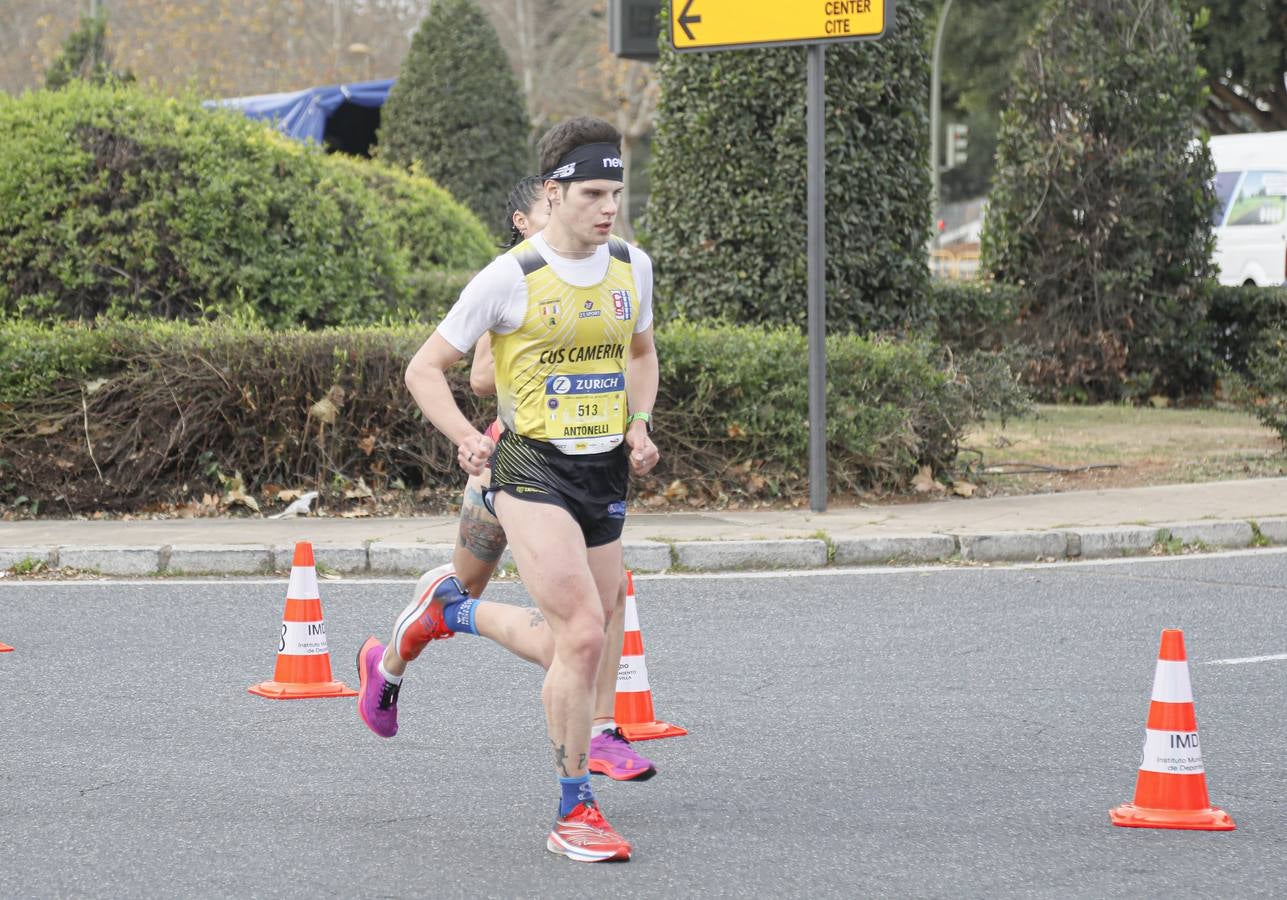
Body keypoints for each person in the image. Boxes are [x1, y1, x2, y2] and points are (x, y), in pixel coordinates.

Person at [357, 117, 660, 863]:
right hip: (529, 469)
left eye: (614, 193)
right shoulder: (509, 277)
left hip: (603, 472)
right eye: (592, 192)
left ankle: (448, 611)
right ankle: (573, 812)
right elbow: (424, 368)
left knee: (584, 628)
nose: (607, 207)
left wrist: (640, 422)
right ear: (554, 195)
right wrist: (465, 434)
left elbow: (643, 354)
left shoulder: (633, 266)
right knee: (582, 634)